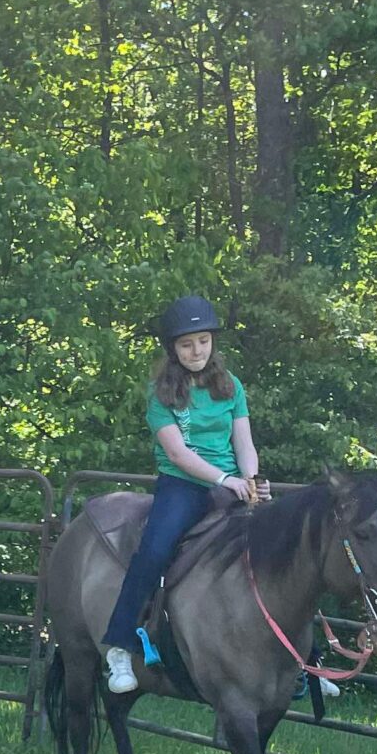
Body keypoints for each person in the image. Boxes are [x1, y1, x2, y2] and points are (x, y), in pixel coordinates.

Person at [101, 293, 262, 695]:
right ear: (173, 349)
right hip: (183, 484)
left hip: (231, 481)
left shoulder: (232, 386)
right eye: (187, 344)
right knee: (154, 550)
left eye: (203, 341)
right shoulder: (160, 393)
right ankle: (119, 646)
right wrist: (223, 480)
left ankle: (308, 659)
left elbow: (244, 442)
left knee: (281, 544)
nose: (197, 351)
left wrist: (251, 479)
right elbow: (177, 453)